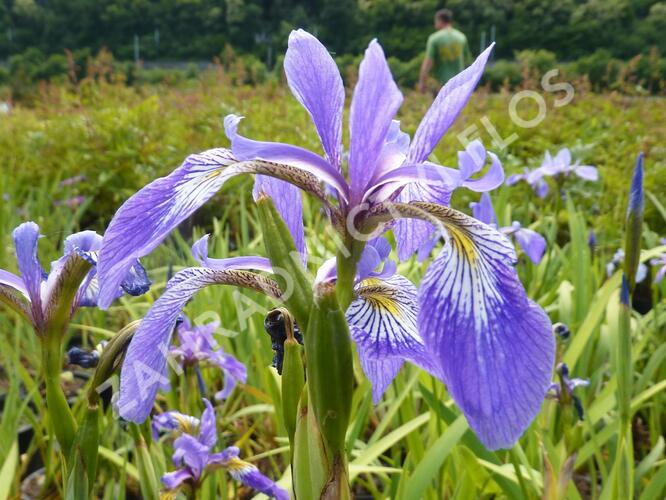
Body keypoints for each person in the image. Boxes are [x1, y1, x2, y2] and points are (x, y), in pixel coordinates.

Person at [418, 9, 472, 92]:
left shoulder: (434, 38)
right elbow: (468, 62)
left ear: (440, 20)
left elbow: (428, 62)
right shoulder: (462, 37)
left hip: (440, 86)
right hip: (459, 86)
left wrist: (422, 82)